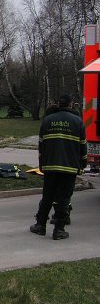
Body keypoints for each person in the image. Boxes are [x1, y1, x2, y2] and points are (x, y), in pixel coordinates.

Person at [30, 94, 87, 241]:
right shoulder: (78, 122)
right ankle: (59, 230)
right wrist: (82, 164)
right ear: (71, 104)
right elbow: (82, 146)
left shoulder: (47, 120)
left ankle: (40, 225)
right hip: (69, 167)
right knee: (63, 198)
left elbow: (41, 146)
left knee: (47, 196)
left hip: (50, 166)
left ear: (58, 104)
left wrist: (42, 165)